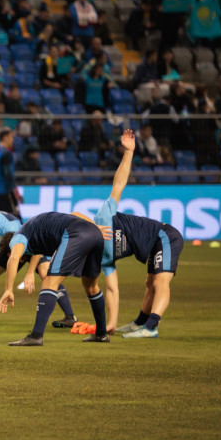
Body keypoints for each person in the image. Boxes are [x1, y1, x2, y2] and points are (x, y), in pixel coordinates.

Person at [84, 130, 184, 340]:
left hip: (164, 236)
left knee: (159, 282)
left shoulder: (103, 217)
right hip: (152, 246)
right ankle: (139, 323)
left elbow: (119, 184)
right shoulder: (102, 257)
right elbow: (112, 289)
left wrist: (128, 152)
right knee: (150, 284)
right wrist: (111, 324)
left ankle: (151, 326)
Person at [0, 203, 78, 328]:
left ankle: (70, 317)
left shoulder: (8, 227)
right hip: (8, 249)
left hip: (29, 246)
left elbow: (37, 245)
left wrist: (30, 272)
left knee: (45, 274)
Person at [0, 211, 108, 346]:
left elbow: (13, 258)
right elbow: (74, 213)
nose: (21, 260)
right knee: (91, 287)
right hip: (95, 233)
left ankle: (36, 336)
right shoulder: (35, 232)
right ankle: (102, 334)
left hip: (74, 233)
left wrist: (8, 289)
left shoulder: (18, 237)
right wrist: (95, 227)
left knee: (49, 282)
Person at [0, 129, 19, 215]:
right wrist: (15, 191)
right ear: (5, 137)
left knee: (2, 217)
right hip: (6, 191)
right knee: (14, 217)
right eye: (11, 137)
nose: (12, 140)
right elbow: (8, 174)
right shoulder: (6, 154)